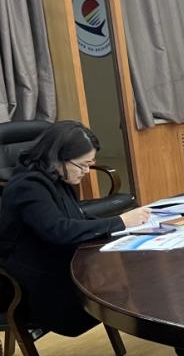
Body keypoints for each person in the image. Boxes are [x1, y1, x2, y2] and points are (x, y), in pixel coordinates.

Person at [0, 121, 151, 336]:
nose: (87, 171)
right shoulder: (27, 186)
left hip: (62, 266)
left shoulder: (57, 176)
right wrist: (120, 221)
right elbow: (60, 230)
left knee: (138, 271)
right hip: (38, 287)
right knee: (134, 283)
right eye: (82, 165)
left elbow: (75, 217)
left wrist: (124, 228)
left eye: (90, 164)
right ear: (58, 157)